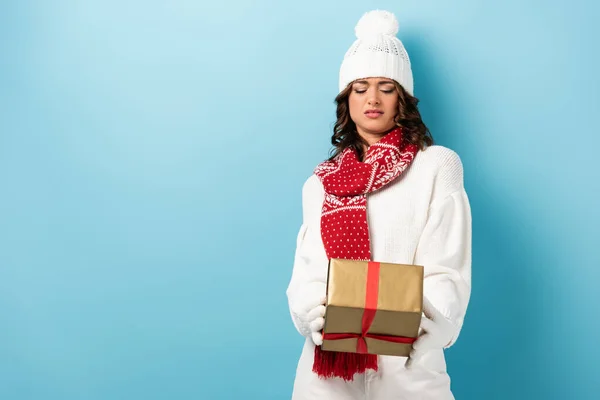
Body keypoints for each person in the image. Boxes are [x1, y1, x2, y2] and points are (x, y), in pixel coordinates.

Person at [285, 9, 472, 400]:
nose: (372, 98)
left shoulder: (435, 166)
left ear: (401, 97)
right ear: (346, 99)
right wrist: (309, 311)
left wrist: (425, 326)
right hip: (327, 377)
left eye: (386, 86)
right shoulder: (321, 183)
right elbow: (308, 271)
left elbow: (446, 268)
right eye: (360, 87)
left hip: (408, 368)